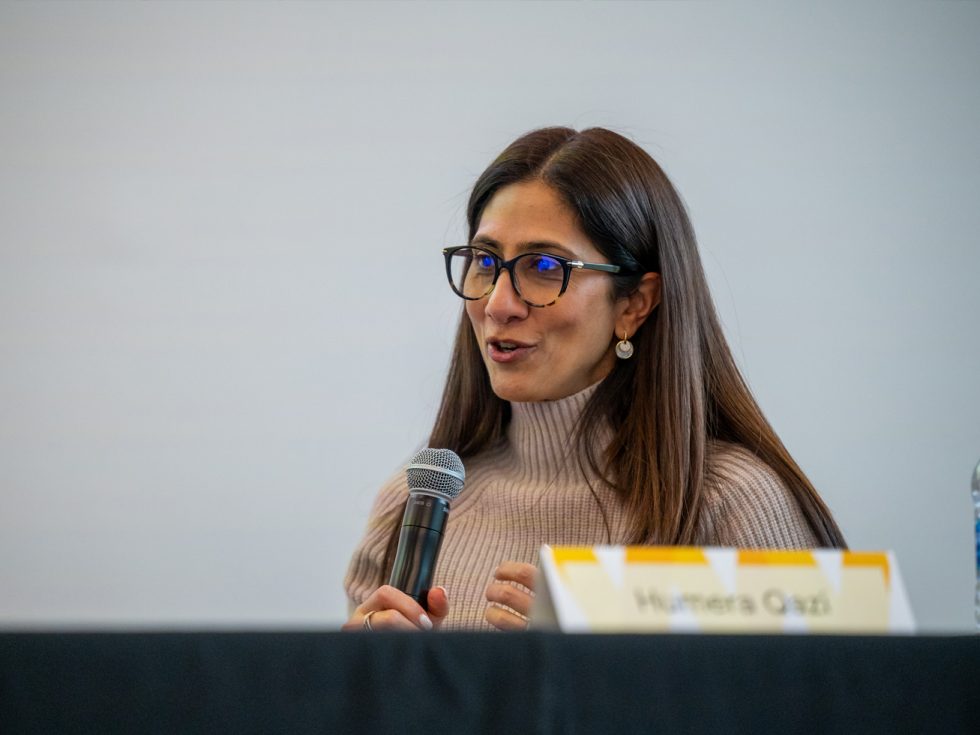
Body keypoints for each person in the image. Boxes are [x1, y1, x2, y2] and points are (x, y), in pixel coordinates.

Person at [342, 126, 846, 633]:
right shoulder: (410, 502)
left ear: (634, 304)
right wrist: (366, 688)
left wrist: (598, 678)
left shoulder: (730, 501)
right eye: (485, 261)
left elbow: (821, 710)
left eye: (543, 265)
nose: (498, 303)